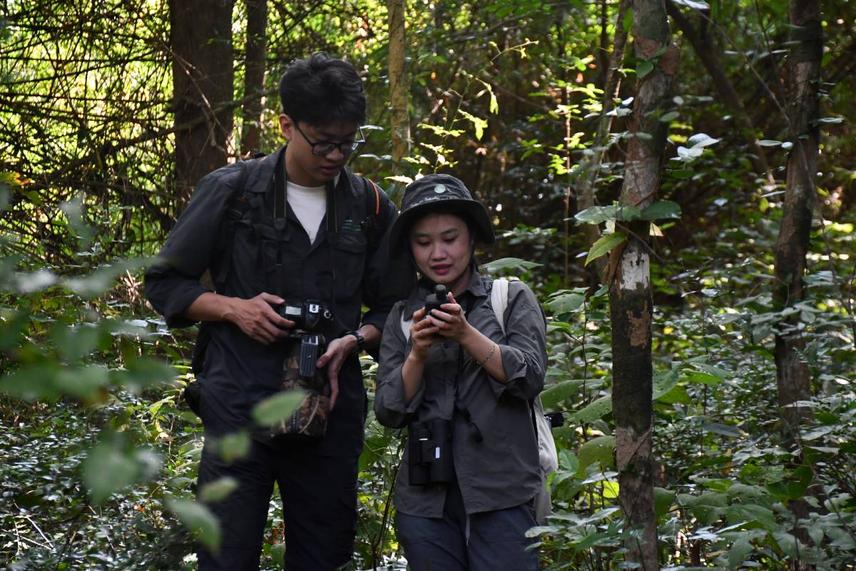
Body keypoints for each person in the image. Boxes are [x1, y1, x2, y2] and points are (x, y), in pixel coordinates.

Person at [145, 53, 409, 570]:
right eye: (324, 142)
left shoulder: (370, 207)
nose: (336, 155)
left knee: (324, 555)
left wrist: (356, 340)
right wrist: (232, 309)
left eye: (347, 142)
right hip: (238, 407)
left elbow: (395, 304)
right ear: (286, 124)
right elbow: (163, 281)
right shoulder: (232, 192)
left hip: (329, 412)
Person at [373, 174, 547, 570]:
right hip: (425, 501)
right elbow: (388, 410)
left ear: (471, 238)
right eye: (423, 242)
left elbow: (530, 378)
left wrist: (465, 334)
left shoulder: (510, 298)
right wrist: (417, 353)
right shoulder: (402, 316)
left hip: (503, 493)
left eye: (449, 238)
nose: (438, 253)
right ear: (410, 249)